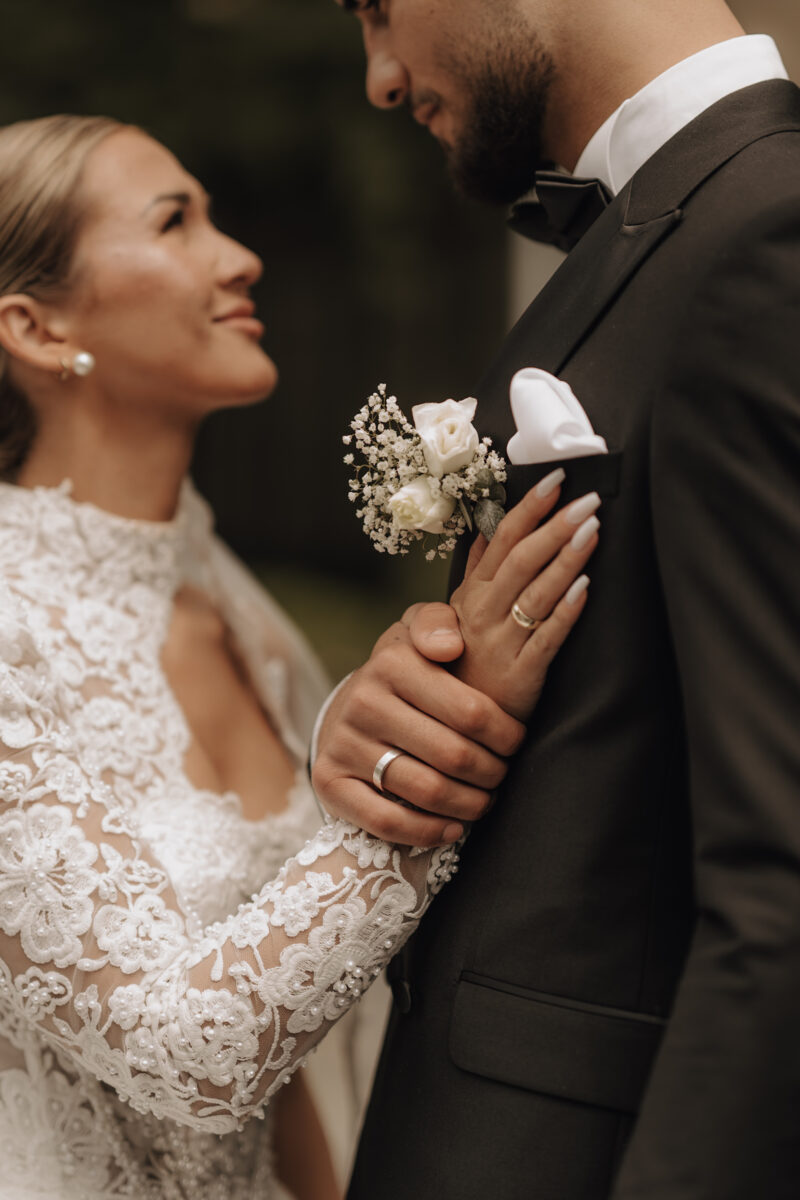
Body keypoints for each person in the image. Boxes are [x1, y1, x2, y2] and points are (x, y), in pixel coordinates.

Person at [0, 113, 598, 1199]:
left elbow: (288, 1078)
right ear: (36, 329)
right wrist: (441, 761)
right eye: (174, 223)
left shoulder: (230, 605)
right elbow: (184, 1051)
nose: (240, 257)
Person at [319, 2, 800, 1197]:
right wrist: (409, 708)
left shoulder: (767, 230)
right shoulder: (663, 224)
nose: (381, 77)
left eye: (375, 7)